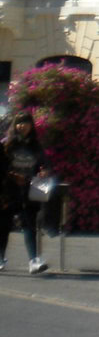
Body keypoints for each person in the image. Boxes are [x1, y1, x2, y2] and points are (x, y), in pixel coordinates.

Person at [2, 112, 52, 275]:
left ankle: (34, 261)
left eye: (25, 123)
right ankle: (0, 257)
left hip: (29, 190)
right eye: (19, 123)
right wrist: (12, 175)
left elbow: (44, 165)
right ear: (14, 126)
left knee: (28, 224)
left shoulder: (36, 146)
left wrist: (44, 171)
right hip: (7, 190)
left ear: (31, 126)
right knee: (3, 225)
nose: (22, 126)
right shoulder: (7, 145)